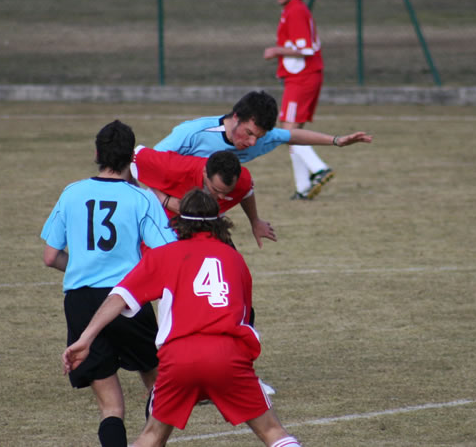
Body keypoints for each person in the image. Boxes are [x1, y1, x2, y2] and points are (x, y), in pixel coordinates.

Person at [63, 189, 303, 447]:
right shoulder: (235, 259)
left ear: (179, 221)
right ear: (220, 221)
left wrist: (86, 338)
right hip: (227, 354)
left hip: (178, 358)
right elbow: (245, 317)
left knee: (152, 435)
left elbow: (118, 297)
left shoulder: (164, 255)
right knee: (272, 432)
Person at [41, 120, 177, 447]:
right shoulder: (142, 199)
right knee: (159, 388)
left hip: (80, 303)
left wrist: (83, 268)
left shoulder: (72, 193)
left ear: (96, 153)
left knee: (111, 407)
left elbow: (50, 255)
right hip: (127, 300)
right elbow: (168, 254)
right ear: (132, 157)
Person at [154, 90, 372, 198]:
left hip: (201, 209)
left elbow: (291, 135)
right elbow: (146, 161)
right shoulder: (193, 132)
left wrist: (337, 141)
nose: (251, 143)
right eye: (248, 133)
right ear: (236, 117)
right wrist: (166, 202)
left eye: (257, 137)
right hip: (164, 202)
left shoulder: (261, 139)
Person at [264, 0, 333, 200]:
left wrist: (276, 50)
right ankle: (303, 187)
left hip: (302, 79)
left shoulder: (296, 10)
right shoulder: (291, 10)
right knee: (294, 134)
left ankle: (319, 168)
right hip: (301, 78)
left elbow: (306, 48)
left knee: (288, 132)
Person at [131, 146, 276, 249]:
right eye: (216, 190)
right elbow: (132, 156)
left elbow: (246, 193)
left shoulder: (242, 181)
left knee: (230, 266)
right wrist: (166, 200)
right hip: (166, 226)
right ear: (205, 173)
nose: (220, 197)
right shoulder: (175, 168)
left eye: (227, 192)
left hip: (207, 227)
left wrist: (255, 221)